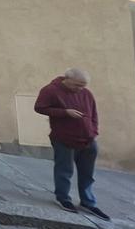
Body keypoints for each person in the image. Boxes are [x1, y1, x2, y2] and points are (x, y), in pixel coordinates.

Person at [34, 69, 109, 221]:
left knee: (88, 173)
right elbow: (40, 107)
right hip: (64, 138)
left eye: (83, 85)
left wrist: (93, 132)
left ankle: (88, 202)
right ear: (67, 79)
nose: (80, 89)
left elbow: (94, 114)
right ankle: (63, 198)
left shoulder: (87, 94)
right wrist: (65, 112)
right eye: (77, 85)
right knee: (64, 170)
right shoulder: (50, 90)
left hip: (88, 139)